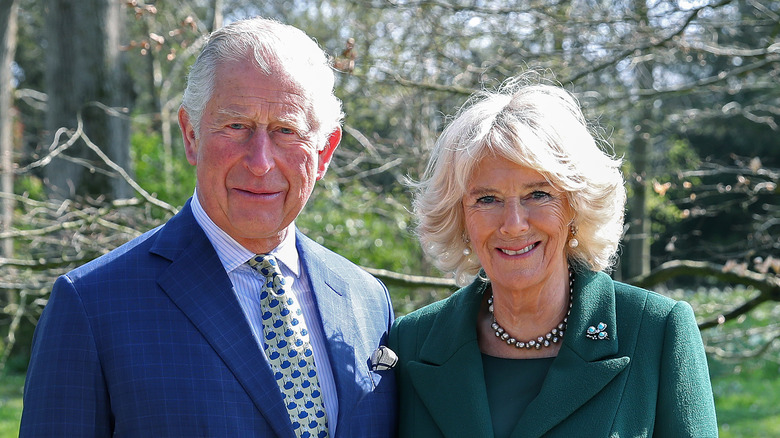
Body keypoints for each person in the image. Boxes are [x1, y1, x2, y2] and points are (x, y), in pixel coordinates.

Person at [21, 17, 397, 437]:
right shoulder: (92, 305)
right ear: (191, 135)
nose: (260, 162)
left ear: (325, 153)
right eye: (236, 126)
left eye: (286, 131)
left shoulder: (366, 300)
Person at [389, 77, 718, 437]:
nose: (513, 225)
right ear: (460, 218)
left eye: (538, 194)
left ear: (576, 207)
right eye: (487, 199)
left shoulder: (655, 331)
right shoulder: (413, 342)